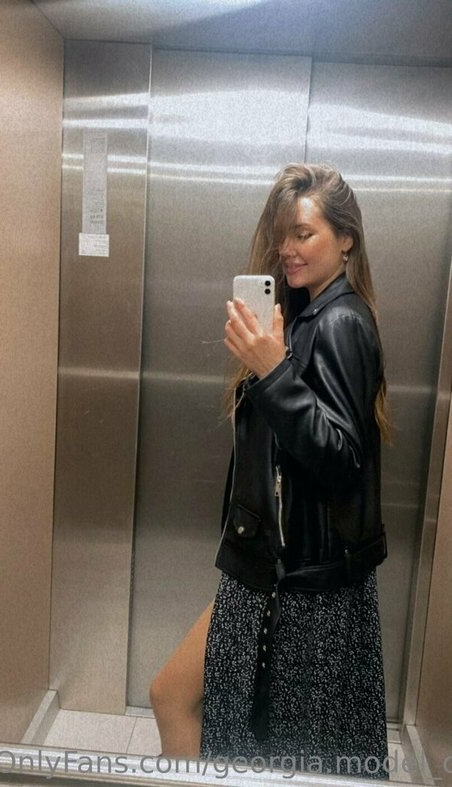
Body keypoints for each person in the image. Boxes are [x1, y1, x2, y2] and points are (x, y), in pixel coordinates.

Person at [150, 163, 390, 780]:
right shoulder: (304, 316)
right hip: (268, 570)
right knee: (186, 704)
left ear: (346, 239)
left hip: (300, 585)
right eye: (282, 235)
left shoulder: (340, 322)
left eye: (304, 233)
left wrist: (274, 372)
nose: (287, 248)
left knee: (275, 749)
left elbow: (342, 460)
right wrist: (271, 365)